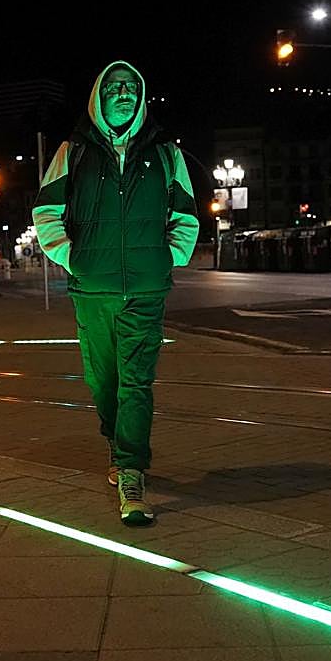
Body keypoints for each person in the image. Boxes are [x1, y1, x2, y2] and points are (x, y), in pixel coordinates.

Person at [32, 61, 199, 526]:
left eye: (131, 87)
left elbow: (186, 212)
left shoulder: (165, 152)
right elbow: (46, 210)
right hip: (93, 287)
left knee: (136, 383)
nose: (123, 94)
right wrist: (71, 256)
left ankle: (131, 472)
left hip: (146, 287)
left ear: (141, 97)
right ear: (99, 99)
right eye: (114, 88)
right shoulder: (74, 151)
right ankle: (115, 438)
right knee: (102, 380)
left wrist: (170, 257)